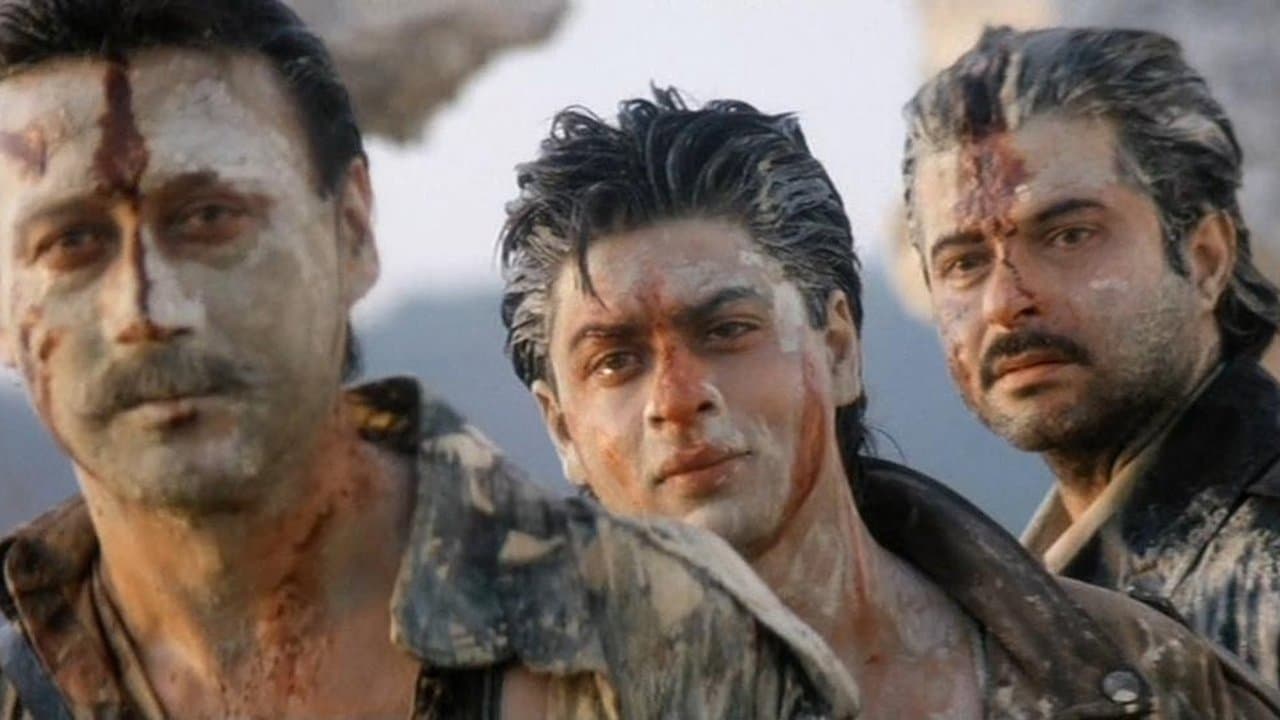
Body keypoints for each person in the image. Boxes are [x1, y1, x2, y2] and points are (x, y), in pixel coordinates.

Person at [0, 2, 865, 718]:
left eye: (209, 218)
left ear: (351, 229)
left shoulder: (672, 647)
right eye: (70, 243)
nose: (148, 311)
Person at [497, 87, 1280, 718]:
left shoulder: (1145, 679)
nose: (677, 398)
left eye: (728, 330)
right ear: (561, 427)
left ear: (839, 348)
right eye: (615, 362)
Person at [902, 26, 1280, 682]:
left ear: (1205, 258)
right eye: (964, 262)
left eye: (1069, 235)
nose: (1006, 301)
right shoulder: (993, 607)